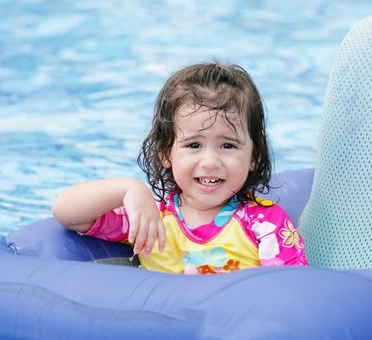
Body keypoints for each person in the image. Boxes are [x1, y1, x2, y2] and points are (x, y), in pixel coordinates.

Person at [52, 62, 308, 274]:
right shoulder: (151, 220)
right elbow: (67, 212)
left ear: (253, 156)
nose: (210, 161)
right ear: (166, 154)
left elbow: (286, 291)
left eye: (228, 146)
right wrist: (128, 189)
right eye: (194, 144)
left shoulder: (265, 223)